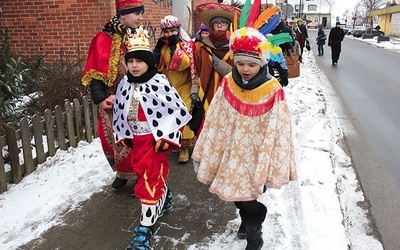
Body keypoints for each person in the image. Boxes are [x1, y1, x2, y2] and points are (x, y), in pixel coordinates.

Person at [192, 27, 297, 250]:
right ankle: (247, 221)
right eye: (240, 63)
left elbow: (279, 128)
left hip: (256, 155)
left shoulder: (272, 88)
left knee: (249, 198)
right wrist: (211, 146)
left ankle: (254, 235)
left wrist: (272, 160)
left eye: (251, 64)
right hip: (231, 151)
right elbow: (216, 117)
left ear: (262, 62)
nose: (245, 69)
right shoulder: (228, 82)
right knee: (236, 194)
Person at [114, 27, 191, 249]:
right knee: (146, 174)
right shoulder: (124, 84)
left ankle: (145, 229)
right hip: (136, 140)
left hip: (153, 140)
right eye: (130, 62)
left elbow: (175, 110)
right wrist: (124, 134)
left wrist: (168, 136)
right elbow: (120, 111)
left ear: (149, 62)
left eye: (139, 61)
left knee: (147, 181)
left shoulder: (159, 82)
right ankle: (164, 198)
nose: (134, 66)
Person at [82, 0, 145, 191]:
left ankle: (139, 176)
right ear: (123, 15)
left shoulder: (138, 36)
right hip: (111, 99)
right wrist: (101, 98)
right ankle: (122, 172)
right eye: (137, 14)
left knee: (137, 138)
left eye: (141, 13)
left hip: (135, 97)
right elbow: (94, 72)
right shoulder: (103, 39)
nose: (141, 18)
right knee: (109, 137)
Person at [153, 15, 196, 163]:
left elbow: (182, 64)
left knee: (183, 113)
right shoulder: (163, 45)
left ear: (178, 30)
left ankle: (184, 146)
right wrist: (157, 50)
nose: (169, 34)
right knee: (170, 115)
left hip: (184, 85)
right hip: (168, 86)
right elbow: (157, 66)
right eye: (166, 32)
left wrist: (173, 48)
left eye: (172, 31)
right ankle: (175, 142)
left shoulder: (186, 45)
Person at [193, 2, 241, 134]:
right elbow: (197, 72)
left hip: (229, 98)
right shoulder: (202, 48)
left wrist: (218, 64)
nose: (219, 24)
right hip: (206, 96)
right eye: (216, 22)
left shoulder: (236, 49)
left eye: (223, 22)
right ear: (212, 26)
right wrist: (194, 90)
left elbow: (239, 74)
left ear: (229, 25)